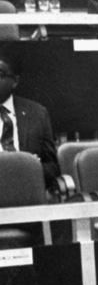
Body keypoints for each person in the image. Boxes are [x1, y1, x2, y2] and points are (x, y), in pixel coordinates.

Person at [0, 46, 57, 189]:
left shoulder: (37, 113)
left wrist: (32, 167)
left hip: (28, 190)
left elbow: (53, 166)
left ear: (15, 81)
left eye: (0, 74)